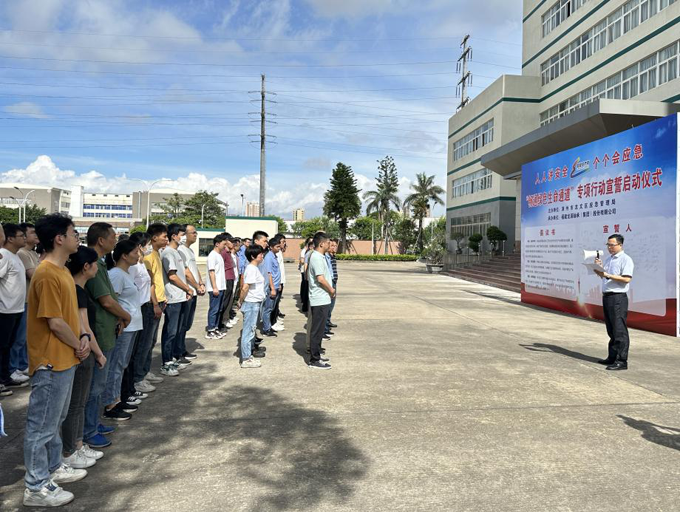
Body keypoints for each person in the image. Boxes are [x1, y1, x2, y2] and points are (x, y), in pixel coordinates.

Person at [23, 214, 86, 508]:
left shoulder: (62, 271)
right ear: (59, 239)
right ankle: (35, 486)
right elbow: (55, 322)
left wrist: (81, 339)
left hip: (66, 358)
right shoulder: (47, 273)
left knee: (55, 420)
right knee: (41, 427)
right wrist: (79, 345)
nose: (77, 238)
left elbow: (69, 318)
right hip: (50, 361)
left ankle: (52, 468)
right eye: (74, 233)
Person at [83, 223, 131, 449]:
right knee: (95, 386)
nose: (115, 240)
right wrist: (125, 315)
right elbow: (106, 300)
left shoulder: (100, 263)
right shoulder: (92, 264)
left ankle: (93, 423)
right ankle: (89, 429)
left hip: (106, 328)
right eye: (113, 237)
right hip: (99, 331)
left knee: (99, 384)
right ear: (101, 240)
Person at [63, 246, 107, 470]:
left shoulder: (78, 288)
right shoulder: (76, 290)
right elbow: (85, 328)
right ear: (85, 266)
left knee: (79, 402)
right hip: (83, 351)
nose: (97, 268)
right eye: (95, 264)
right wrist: (99, 352)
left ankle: (78, 444)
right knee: (76, 404)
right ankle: (71, 449)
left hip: (84, 350)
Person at [102, 240, 144, 421]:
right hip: (125, 328)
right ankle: (111, 404)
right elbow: (112, 302)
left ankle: (117, 399)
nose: (138, 256)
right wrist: (122, 318)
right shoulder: (116, 275)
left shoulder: (125, 273)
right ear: (124, 256)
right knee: (116, 365)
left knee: (122, 365)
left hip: (132, 326)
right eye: (135, 252)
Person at [594, 234, 634, 371]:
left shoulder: (625, 259)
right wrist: (599, 269)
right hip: (607, 296)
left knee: (619, 329)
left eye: (612, 245)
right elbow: (605, 277)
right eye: (608, 245)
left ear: (620, 245)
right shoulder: (609, 259)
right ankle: (612, 357)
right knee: (611, 328)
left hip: (618, 297)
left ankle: (622, 361)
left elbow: (627, 279)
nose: (609, 247)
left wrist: (607, 275)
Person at [160, 223, 193, 375]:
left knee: (177, 330)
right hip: (172, 297)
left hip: (180, 297)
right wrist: (187, 288)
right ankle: (166, 362)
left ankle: (173, 358)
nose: (183, 237)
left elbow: (183, 273)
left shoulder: (177, 252)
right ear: (173, 236)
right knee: (170, 331)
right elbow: (172, 276)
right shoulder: (168, 253)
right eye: (182, 234)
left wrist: (187, 290)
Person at [126, 232, 157, 395]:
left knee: (146, 343)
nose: (149, 247)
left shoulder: (142, 264)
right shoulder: (132, 267)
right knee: (139, 346)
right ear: (139, 246)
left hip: (146, 306)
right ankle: (137, 379)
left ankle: (141, 374)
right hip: (138, 308)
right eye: (147, 244)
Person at [0, 224, 28, 393]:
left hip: (16, 309)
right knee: (2, 346)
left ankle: (5, 377)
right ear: (9, 238)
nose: (24, 238)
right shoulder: (3, 255)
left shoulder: (15, 256)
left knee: (8, 346)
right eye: (20, 236)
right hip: (5, 310)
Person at [11, 222, 39, 384]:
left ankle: (22, 364)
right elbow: (34, 274)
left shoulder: (31, 253)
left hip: (29, 300)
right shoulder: (22, 253)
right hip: (23, 301)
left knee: (25, 337)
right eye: (32, 233)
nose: (36, 235)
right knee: (20, 337)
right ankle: (15, 367)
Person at [141, 223, 169, 380]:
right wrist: (156, 304)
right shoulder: (148, 256)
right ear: (154, 237)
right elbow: (149, 282)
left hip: (159, 301)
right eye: (164, 236)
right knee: (145, 342)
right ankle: (139, 377)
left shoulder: (157, 254)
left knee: (151, 341)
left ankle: (145, 371)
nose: (166, 239)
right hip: (152, 304)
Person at [306, 232, 335, 370]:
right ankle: (314, 360)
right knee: (317, 330)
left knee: (319, 329)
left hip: (323, 298)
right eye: (328, 243)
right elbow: (320, 279)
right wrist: (331, 290)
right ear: (322, 244)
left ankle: (317, 354)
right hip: (319, 298)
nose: (330, 245)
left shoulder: (320, 256)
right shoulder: (316, 257)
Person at [238, 244, 267, 368]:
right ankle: (246, 359)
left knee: (251, 330)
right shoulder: (251, 269)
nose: (262, 255)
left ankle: (248, 355)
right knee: (248, 332)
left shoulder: (255, 268)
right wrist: (240, 300)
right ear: (253, 256)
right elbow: (245, 287)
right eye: (259, 254)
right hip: (251, 303)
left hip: (255, 303)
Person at [177, 225, 203, 360]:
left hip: (193, 291)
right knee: (182, 324)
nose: (195, 235)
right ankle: (179, 351)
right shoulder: (180, 250)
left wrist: (201, 283)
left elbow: (194, 268)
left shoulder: (190, 250)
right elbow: (186, 272)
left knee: (187, 323)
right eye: (193, 232)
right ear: (184, 234)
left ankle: (182, 349)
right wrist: (196, 286)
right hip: (187, 292)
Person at [206, 234, 229, 339]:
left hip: (221, 287)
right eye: (224, 244)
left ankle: (215, 328)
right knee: (214, 309)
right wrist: (214, 287)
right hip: (215, 288)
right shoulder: (212, 256)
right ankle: (210, 330)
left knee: (219, 309)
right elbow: (212, 272)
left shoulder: (219, 255)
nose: (225, 246)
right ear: (217, 244)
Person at [261, 236, 282, 337]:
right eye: (277, 247)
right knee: (268, 309)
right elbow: (269, 273)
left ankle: (268, 326)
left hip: (276, 286)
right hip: (272, 287)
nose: (279, 248)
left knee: (272, 308)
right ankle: (266, 329)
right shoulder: (269, 257)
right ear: (271, 247)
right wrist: (273, 288)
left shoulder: (274, 256)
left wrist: (279, 284)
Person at [218, 234, 236, 332]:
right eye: (231, 241)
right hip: (226, 278)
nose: (233, 243)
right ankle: (220, 322)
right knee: (224, 302)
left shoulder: (228, 252)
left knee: (229, 301)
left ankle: (225, 320)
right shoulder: (223, 253)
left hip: (231, 278)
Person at [325, 238, 339, 336]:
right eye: (332, 246)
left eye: (336, 246)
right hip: (330, 283)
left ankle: (328, 321)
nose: (334, 247)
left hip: (334, 281)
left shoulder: (332, 256)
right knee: (329, 305)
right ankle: (325, 327)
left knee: (332, 304)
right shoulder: (326, 257)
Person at [272, 234, 286, 329]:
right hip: (278, 281)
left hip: (281, 281)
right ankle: (272, 322)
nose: (284, 243)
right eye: (283, 241)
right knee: (274, 303)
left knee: (276, 302)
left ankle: (275, 319)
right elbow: (276, 270)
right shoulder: (275, 253)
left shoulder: (279, 252)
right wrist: (279, 282)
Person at [299, 238, 313, 313]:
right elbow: (304, 264)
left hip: (308, 274)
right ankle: (304, 305)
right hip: (306, 273)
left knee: (306, 289)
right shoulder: (306, 252)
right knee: (305, 289)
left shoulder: (310, 252)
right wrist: (306, 274)